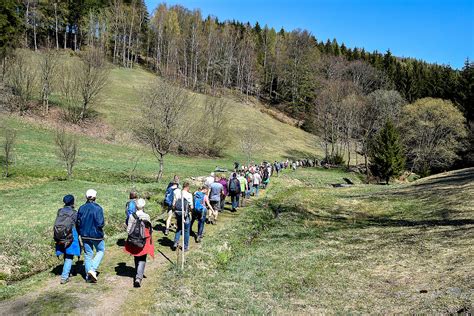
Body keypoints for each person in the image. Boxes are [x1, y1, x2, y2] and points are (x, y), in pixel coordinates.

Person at [125, 198, 154, 288]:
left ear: (136, 206)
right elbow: (150, 229)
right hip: (144, 240)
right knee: (142, 258)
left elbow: (128, 230)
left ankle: (137, 272)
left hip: (134, 239)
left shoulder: (131, 216)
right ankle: (138, 278)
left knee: (136, 256)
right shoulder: (147, 216)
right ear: (143, 206)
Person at [77, 189, 105, 283]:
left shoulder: (81, 208)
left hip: (84, 234)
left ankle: (88, 277)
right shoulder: (98, 208)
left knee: (88, 254)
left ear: (86, 197)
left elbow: (78, 222)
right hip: (96, 234)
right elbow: (101, 223)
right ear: (95, 197)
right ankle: (92, 270)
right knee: (100, 250)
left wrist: (80, 232)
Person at [55, 194, 81, 284]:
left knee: (66, 253)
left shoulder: (59, 211)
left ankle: (68, 271)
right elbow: (77, 224)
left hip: (60, 234)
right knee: (70, 255)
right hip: (71, 234)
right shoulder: (74, 212)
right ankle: (64, 277)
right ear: (72, 202)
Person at [173, 182, 193, 251]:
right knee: (186, 230)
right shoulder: (189, 195)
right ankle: (185, 246)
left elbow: (174, 204)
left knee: (179, 227)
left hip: (178, 213)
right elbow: (191, 206)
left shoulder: (178, 193)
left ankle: (176, 242)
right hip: (185, 214)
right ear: (187, 187)